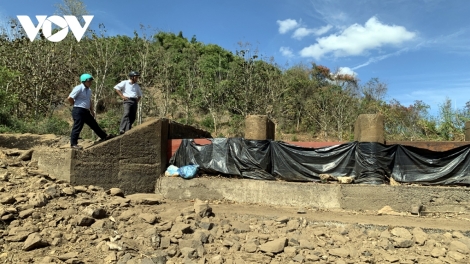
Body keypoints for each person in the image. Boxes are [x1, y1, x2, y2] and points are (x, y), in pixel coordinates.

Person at [68, 73, 113, 149]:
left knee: (94, 124)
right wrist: (74, 104)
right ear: (84, 81)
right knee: (78, 127)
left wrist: (92, 110)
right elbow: (70, 98)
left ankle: (104, 136)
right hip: (78, 110)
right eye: (89, 81)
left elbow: (89, 100)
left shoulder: (89, 90)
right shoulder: (78, 88)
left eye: (91, 81)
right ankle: (73, 144)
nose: (90, 83)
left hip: (86, 111)